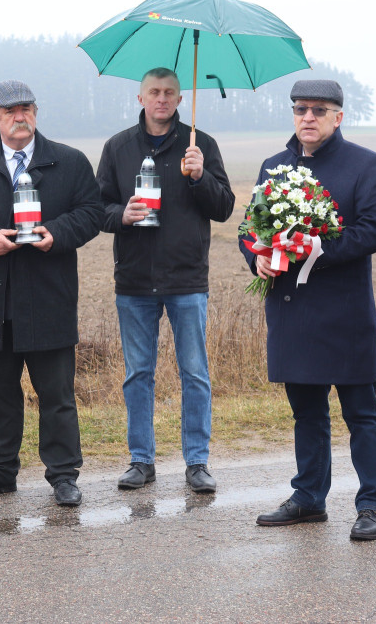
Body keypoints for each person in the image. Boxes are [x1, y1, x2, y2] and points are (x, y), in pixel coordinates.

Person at [242, 80, 376, 540]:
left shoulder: (366, 165)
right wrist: (260, 255)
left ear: (338, 117)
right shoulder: (275, 166)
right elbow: (251, 229)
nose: (308, 117)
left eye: (319, 110)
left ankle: (372, 506)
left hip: (344, 312)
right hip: (292, 310)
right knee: (306, 413)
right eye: (300, 109)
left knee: (361, 412)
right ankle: (309, 497)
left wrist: (315, 247)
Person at [0, 80, 102, 507]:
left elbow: (91, 213)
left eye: (26, 108)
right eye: (9, 111)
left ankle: (64, 476)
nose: (20, 116)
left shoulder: (68, 162)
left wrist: (59, 232)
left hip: (49, 296)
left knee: (57, 396)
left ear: (36, 112)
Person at [97, 67, 234, 494]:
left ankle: (197, 463)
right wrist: (121, 214)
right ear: (140, 98)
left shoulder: (200, 146)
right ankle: (141, 461)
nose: (161, 99)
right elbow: (95, 209)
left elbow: (225, 207)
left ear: (180, 99)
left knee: (195, 373)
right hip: (135, 280)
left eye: (170, 93)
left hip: (187, 279)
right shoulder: (118, 147)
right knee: (139, 373)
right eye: (154, 92)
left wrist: (200, 176)